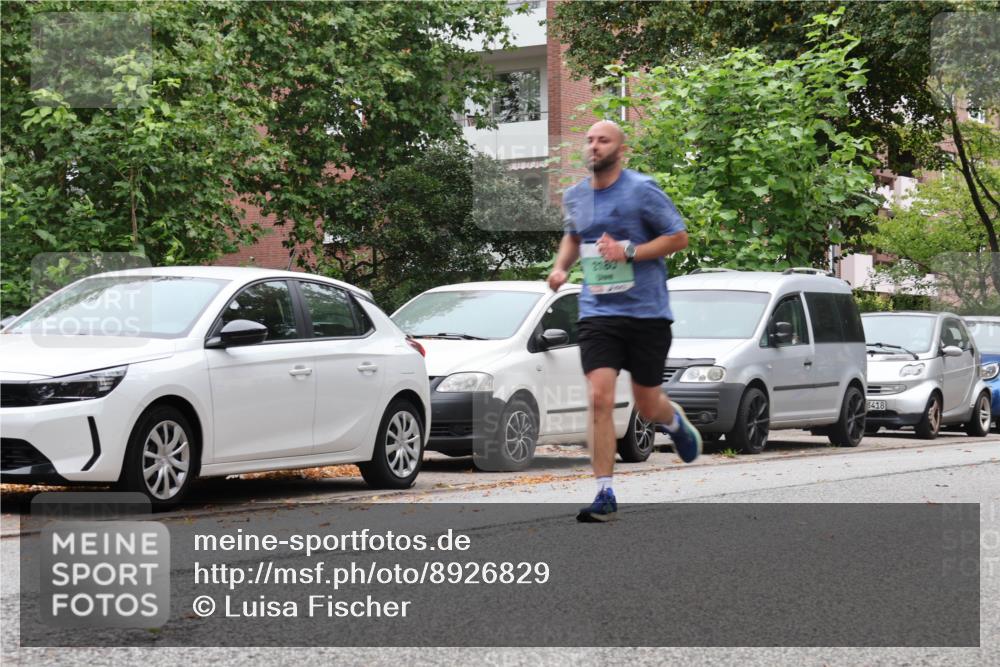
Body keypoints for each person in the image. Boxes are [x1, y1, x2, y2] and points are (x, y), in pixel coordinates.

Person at [547, 120, 702, 522]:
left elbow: (678, 237)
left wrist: (628, 251)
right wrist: (561, 267)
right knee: (599, 396)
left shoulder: (641, 189)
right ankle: (604, 492)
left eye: (603, 140)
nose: (594, 146)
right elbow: (572, 236)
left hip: (647, 312)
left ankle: (674, 421)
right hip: (599, 312)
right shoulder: (576, 196)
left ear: (620, 149)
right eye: (590, 140)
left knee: (647, 401)